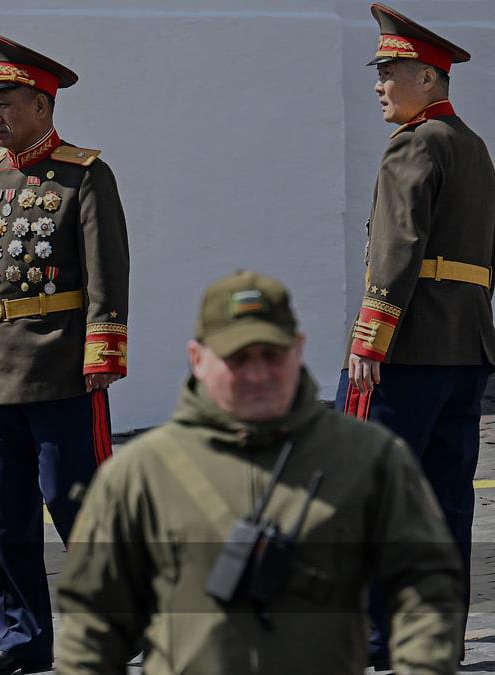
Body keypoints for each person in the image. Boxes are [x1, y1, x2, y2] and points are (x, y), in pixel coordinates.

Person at [56, 270, 465, 675]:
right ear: (197, 359)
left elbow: (426, 588)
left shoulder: (369, 459)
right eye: (237, 358)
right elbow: (92, 629)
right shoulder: (141, 473)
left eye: (272, 355)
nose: (257, 374)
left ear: (299, 349)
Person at [0, 32, 130, 675]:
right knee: (5, 516)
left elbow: (107, 270)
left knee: (77, 502)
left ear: (42, 105)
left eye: (6, 103)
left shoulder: (84, 174)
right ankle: (21, 637)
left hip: (60, 366)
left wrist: (103, 351)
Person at [335, 4, 495, 667]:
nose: (379, 85)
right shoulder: (474, 147)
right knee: (447, 500)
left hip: (407, 349)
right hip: (465, 348)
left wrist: (369, 339)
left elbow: (397, 249)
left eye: (389, 73)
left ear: (428, 79)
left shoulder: (415, 144)